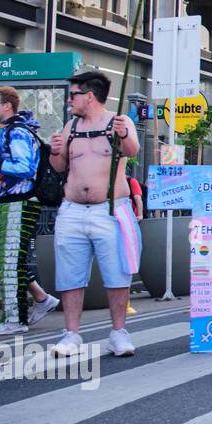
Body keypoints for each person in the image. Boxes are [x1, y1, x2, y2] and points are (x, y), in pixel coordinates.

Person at [46, 70, 142, 357]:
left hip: (110, 209)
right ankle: (71, 334)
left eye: (73, 95)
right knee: (70, 275)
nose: (68, 101)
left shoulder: (118, 121)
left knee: (117, 273)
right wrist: (55, 152)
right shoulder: (70, 126)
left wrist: (123, 133)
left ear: (89, 96)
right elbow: (60, 167)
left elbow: (132, 150)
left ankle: (118, 333)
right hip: (73, 210)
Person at [0, 87, 43, 335]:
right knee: (8, 260)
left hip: (19, 200)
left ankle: (15, 319)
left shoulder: (16, 132)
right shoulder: (11, 130)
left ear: (7, 106)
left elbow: (24, 166)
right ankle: (32, 306)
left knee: (10, 261)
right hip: (13, 201)